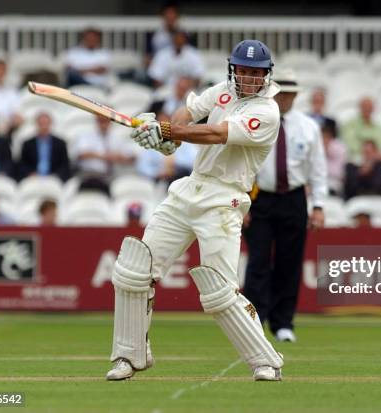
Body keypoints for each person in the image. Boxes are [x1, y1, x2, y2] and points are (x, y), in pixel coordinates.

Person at [106, 39, 284, 382]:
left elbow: (216, 133)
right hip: (189, 188)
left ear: (265, 76)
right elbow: (186, 114)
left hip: (224, 199)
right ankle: (129, 357)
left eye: (255, 73)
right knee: (133, 269)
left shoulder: (267, 112)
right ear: (234, 70)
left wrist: (172, 131)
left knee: (219, 290)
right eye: (243, 71)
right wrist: (165, 134)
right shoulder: (223, 91)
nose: (248, 78)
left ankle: (266, 361)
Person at [243, 69, 327, 343]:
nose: (285, 98)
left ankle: (283, 322)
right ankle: (253, 321)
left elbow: (318, 170)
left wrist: (318, 206)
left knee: (289, 263)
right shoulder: (255, 120)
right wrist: (242, 201)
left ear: (295, 96)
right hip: (260, 198)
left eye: (290, 93)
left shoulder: (307, 126)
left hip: (293, 197)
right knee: (258, 261)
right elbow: (243, 163)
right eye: (281, 93)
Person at [73, 115, 136, 194]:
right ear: (96, 120)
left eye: (106, 121)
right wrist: (107, 156)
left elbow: (131, 158)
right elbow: (81, 154)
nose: (103, 124)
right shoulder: (86, 136)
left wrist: (116, 157)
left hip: (113, 175)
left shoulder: (117, 137)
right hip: (89, 174)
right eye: (101, 121)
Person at [18, 112, 71, 181]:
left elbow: (65, 165)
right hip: (33, 178)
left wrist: (56, 175)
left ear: (50, 124)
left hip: (54, 177)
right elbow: (22, 164)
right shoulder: (28, 144)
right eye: (41, 124)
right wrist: (30, 173)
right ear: (37, 124)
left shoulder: (60, 143)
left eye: (46, 124)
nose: (44, 126)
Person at [340, 97, 381, 164]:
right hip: (357, 160)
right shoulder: (350, 125)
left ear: (373, 109)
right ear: (359, 108)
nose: (367, 109)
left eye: (369, 107)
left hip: (376, 160)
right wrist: (370, 153)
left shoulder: (378, 127)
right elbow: (349, 143)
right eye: (365, 106)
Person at [321, 118, 346, 196]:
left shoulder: (339, 146)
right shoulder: (315, 146)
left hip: (334, 182)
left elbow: (338, 173)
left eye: (326, 136)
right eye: (322, 136)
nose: (324, 139)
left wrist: (325, 147)